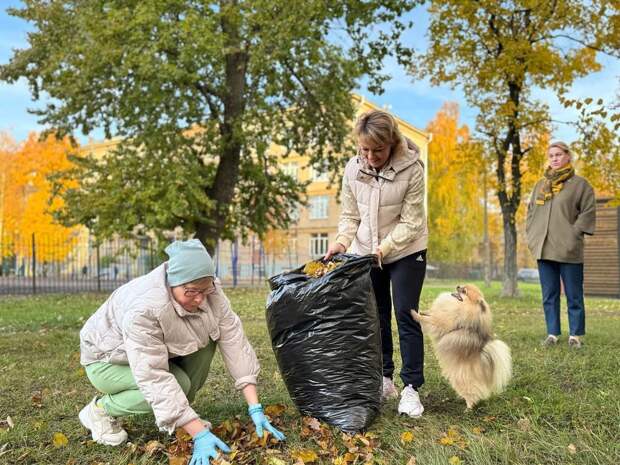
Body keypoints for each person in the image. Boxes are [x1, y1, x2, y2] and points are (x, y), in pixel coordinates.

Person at [78, 239, 284, 464]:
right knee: (180, 385)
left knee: (208, 338)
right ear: (172, 283)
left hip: (148, 354)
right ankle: (100, 410)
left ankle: (183, 413)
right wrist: (200, 434)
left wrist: (255, 407)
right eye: (192, 292)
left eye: (205, 290)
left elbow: (234, 339)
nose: (199, 299)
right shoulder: (144, 309)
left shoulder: (208, 291)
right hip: (106, 361)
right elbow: (151, 374)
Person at [325, 109, 428, 417]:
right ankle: (384, 379)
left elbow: (411, 222)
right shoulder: (353, 168)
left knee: (405, 313)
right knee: (376, 315)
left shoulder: (412, 169)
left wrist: (384, 248)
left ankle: (411, 388)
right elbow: (350, 215)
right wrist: (342, 242)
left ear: (392, 142)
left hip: (407, 249)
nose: (370, 156)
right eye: (365, 149)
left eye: (378, 150)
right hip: (367, 251)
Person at [526, 141, 596, 349]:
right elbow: (531, 212)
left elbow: (588, 211)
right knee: (549, 294)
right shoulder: (541, 185)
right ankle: (552, 333)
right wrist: (532, 235)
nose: (554, 159)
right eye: (551, 156)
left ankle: (575, 335)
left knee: (574, 294)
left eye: (558, 155)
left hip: (568, 248)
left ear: (568, 156)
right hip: (543, 247)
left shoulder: (580, 185)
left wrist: (574, 233)